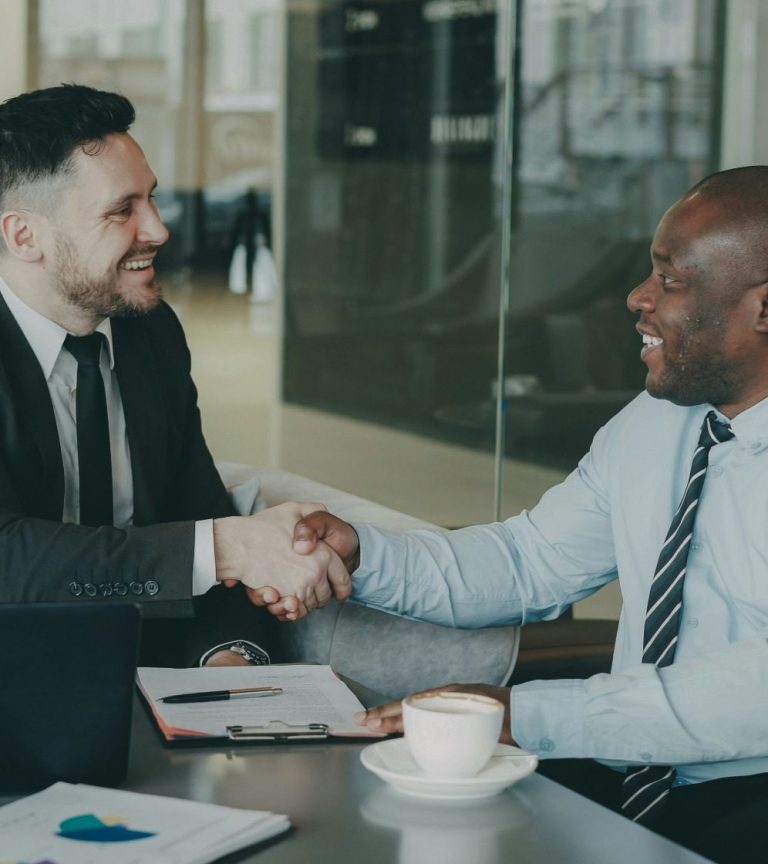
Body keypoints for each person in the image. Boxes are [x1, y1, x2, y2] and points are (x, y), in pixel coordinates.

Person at [287, 167, 768, 863]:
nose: (637, 298)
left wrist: (527, 716)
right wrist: (365, 553)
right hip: (634, 769)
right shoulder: (655, 424)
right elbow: (529, 559)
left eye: (671, 279)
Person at [0, 84, 349, 665]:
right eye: (122, 210)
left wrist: (229, 657)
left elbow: (196, 512)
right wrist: (226, 547)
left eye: (152, 199)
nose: (159, 230)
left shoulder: (150, 334)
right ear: (24, 236)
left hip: (142, 681)